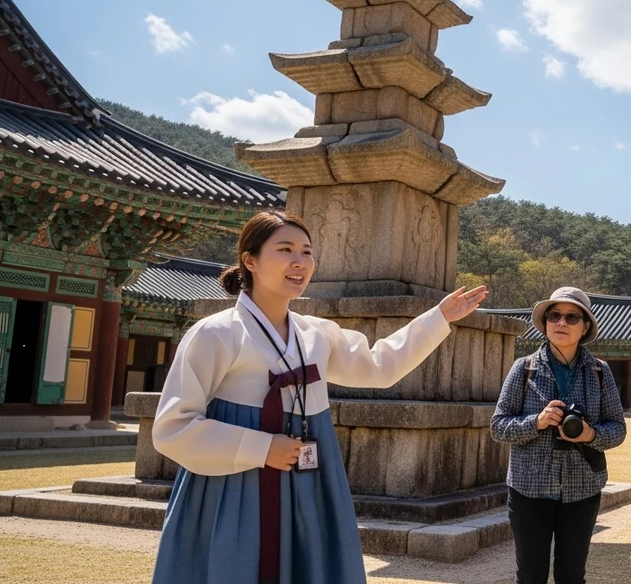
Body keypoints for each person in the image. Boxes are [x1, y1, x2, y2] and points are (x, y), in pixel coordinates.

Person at [150, 211, 487, 584]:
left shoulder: (316, 334)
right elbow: (172, 428)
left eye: (307, 252)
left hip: (307, 483)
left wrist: (438, 318)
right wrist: (261, 447)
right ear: (250, 260)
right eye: (285, 250)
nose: (300, 261)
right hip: (235, 489)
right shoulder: (215, 334)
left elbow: (379, 366)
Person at [490, 287, 627, 584]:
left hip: (582, 488)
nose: (561, 322)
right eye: (554, 316)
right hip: (529, 488)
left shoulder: (599, 372)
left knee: (572, 576)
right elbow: (498, 426)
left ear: (585, 326)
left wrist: (590, 434)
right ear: (546, 322)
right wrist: (536, 422)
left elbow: (618, 428)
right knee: (530, 576)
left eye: (571, 317)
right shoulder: (524, 368)